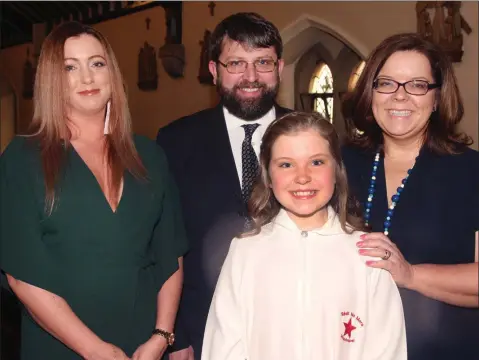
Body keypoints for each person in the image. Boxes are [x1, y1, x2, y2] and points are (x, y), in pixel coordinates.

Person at [0, 21, 188, 360]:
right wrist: (96, 350)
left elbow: (170, 254)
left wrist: (161, 335)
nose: (87, 78)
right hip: (59, 346)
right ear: (51, 80)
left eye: (96, 64)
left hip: (142, 347)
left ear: (112, 74)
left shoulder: (150, 155)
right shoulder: (22, 159)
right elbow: (21, 274)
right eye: (70, 67)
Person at [201, 111, 407, 360]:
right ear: (268, 177)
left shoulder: (367, 256)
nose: (302, 177)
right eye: (286, 164)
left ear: (337, 170)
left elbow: (387, 350)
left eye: (317, 162)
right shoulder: (246, 252)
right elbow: (223, 348)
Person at [156, 12, 291, 360]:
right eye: (236, 63)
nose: (250, 77)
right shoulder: (175, 142)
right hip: (202, 329)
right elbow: (164, 242)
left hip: (293, 324)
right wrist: (176, 333)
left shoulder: (310, 136)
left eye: (263, 62)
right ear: (214, 71)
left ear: (280, 68)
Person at [341, 33, 479, 360]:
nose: (399, 97)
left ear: (437, 98)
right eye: (386, 83)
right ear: (370, 92)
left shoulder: (471, 170)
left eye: (417, 85)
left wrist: (411, 275)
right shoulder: (339, 163)